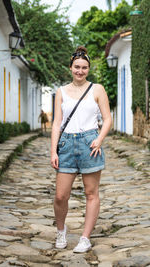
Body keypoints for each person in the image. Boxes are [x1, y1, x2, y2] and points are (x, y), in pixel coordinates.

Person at [50, 46, 112, 253]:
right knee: (60, 195)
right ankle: (61, 231)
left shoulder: (97, 89)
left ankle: (85, 238)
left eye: (84, 67)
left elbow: (107, 119)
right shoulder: (61, 92)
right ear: (70, 67)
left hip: (89, 143)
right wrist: (53, 151)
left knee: (91, 193)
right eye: (77, 67)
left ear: (88, 69)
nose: (80, 71)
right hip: (66, 144)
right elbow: (57, 123)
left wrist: (100, 139)